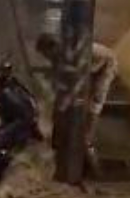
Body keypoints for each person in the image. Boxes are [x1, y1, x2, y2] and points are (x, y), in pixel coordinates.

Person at [35, 33, 120, 175]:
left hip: (107, 63)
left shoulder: (72, 54)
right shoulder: (58, 55)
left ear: (53, 47)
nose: (46, 58)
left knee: (95, 101)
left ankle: (92, 156)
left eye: (46, 53)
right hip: (91, 65)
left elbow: (73, 86)